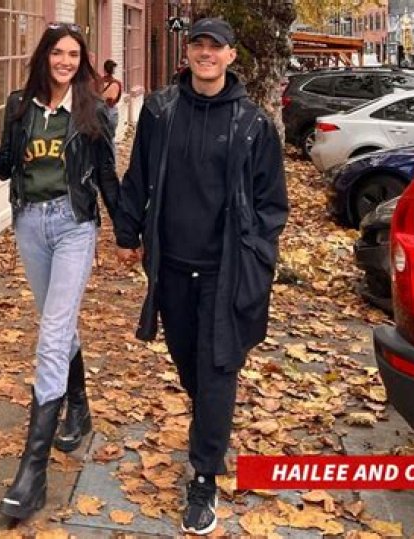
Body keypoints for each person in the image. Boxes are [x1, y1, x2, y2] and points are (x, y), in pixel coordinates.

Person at [114, 18, 289, 535]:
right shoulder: (160, 111)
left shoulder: (253, 123)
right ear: (187, 52)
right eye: (198, 45)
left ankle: (204, 476)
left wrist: (257, 253)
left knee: (217, 369)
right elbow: (139, 175)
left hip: (225, 271)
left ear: (231, 56)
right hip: (170, 265)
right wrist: (126, 232)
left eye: (216, 47)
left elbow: (272, 203)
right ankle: (209, 425)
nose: (206, 53)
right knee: (188, 363)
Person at [0, 22, 119, 521]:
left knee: (52, 334)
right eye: (58, 53)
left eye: (74, 54)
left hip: (74, 224)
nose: (66, 61)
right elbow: (8, 167)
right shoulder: (20, 105)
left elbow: (107, 174)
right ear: (44, 57)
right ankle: (80, 408)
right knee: (59, 324)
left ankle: (32, 475)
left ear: (82, 60)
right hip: (30, 224)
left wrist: (128, 233)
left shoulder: (92, 109)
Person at [101, 59, 122, 134]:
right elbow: (117, 98)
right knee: (111, 136)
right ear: (113, 70)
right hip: (112, 111)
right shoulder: (117, 83)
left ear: (104, 69)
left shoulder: (98, 82)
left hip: (100, 111)